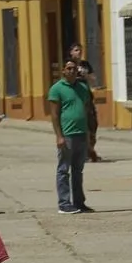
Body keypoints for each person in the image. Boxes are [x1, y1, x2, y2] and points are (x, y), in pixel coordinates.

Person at [48, 59, 92, 214]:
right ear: (63, 71)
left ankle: (79, 202)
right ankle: (64, 203)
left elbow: (85, 111)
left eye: (74, 69)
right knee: (63, 170)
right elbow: (54, 115)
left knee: (78, 171)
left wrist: (88, 135)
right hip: (67, 135)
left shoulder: (82, 88)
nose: (72, 71)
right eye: (69, 68)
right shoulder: (56, 89)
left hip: (80, 134)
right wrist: (59, 136)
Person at [69, 43, 101, 162]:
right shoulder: (69, 65)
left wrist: (85, 75)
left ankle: (90, 150)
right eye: (76, 50)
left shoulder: (85, 65)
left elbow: (94, 79)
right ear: (71, 52)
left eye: (80, 50)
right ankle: (82, 153)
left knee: (92, 125)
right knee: (80, 128)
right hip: (76, 100)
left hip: (87, 100)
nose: (79, 52)